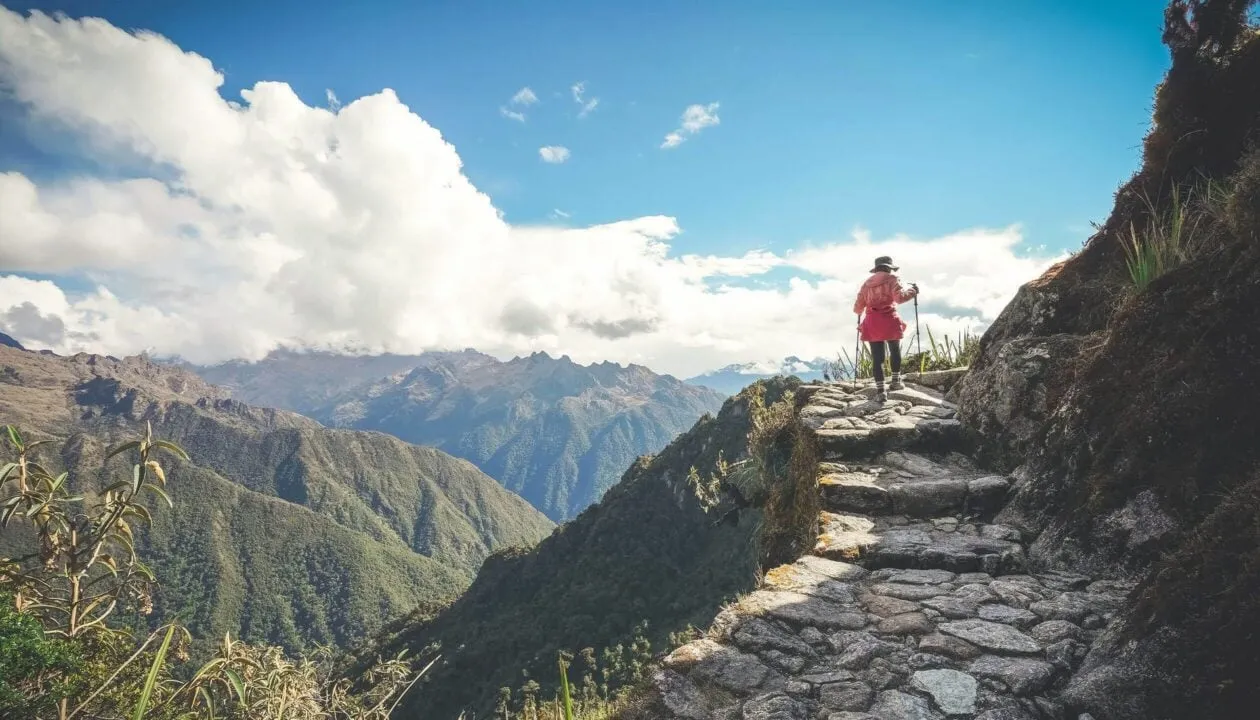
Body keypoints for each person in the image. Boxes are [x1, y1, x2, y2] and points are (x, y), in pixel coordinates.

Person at [853, 255, 919, 403]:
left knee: (878, 358)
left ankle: (881, 391)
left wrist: (860, 311)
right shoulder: (892, 279)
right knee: (894, 350)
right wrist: (913, 291)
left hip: (872, 322)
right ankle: (896, 381)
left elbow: (858, 307)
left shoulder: (866, 284)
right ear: (889, 268)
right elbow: (899, 298)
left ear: (876, 269)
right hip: (889, 319)